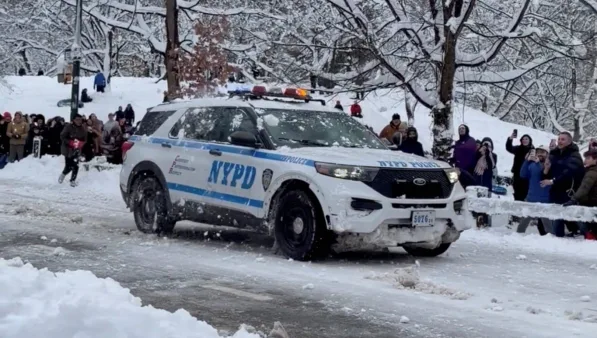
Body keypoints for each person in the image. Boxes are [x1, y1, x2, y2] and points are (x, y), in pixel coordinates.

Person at [540, 132, 585, 237]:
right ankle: (558, 238)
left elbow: (570, 172)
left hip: (569, 192)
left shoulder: (574, 155)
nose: (560, 141)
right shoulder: (554, 154)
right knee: (556, 217)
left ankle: (585, 236)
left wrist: (553, 181)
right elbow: (547, 174)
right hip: (555, 191)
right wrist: (546, 169)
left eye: (563, 139)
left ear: (569, 141)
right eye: (559, 139)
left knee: (575, 217)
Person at [517, 145, 552, 235]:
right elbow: (522, 174)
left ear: (547, 154)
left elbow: (543, 174)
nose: (540, 154)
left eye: (543, 152)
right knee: (523, 223)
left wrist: (537, 163)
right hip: (531, 198)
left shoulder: (549, 165)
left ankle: (552, 241)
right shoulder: (532, 164)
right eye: (538, 152)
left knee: (548, 225)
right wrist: (526, 161)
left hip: (545, 200)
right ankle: (517, 238)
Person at [563, 149, 597, 239]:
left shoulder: (592, 173)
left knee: (582, 219)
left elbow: (584, 188)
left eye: (588, 158)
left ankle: (589, 236)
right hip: (592, 201)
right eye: (585, 158)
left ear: (595, 160)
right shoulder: (590, 170)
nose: (585, 160)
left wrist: (573, 199)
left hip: (590, 201)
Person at [59, 114, 87, 187]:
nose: (79, 121)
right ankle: (63, 174)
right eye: (77, 119)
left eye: (80, 120)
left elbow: (85, 139)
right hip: (68, 149)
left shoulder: (83, 128)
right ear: (73, 120)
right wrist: (70, 142)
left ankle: (73, 180)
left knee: (76, 165)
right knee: (68, 165)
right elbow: (62, 136)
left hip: (77, 149)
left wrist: (81, 143)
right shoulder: (68, 127)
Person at [506, 133, 533, 201]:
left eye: (526, 139)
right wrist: (510, 138)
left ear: (530, 140)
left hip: (526, 176)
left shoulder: (532, 150)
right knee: (516, 192)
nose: (524, 140)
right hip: (517, 174)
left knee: (525, 193)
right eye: (523, 139)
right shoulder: (518, 148)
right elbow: (509, 148)